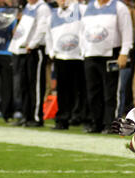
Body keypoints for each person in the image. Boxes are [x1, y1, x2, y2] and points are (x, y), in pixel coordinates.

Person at [81, 0, 134, 134]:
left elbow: (127, 31)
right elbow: (82, 31)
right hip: (91, 54)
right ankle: (96, 123)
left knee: (111, 91)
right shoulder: (89, 7)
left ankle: (112, 124)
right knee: (93, 91)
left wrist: (124, 53)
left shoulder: (119, 7)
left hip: (111, 54)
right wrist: (83, 51)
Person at [8, 0, 51, 127]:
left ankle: (37, 117)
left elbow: (42, 28)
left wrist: (32, 44)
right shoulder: (28, 6)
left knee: (35, 85)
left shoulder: (42, 7)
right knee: (24, 84)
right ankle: (26, 115)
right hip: (23, 49)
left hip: (35, 49)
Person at [45, 0, 86, 130]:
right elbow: (48, 35)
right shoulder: (52, 15)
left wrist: (84, 50)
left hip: (78, 56)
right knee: (62, 90)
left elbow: (86, 29)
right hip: (60, 57)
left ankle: (80, 116)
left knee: (81, 89)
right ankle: (62, 119)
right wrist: (51, 52)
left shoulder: (81, 9)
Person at [0, 0, 17, 122]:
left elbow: (15, 32)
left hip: (6, 52)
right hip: (4, 53)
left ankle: (6, 112)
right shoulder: (11, 13)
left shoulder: (11, 12)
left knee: (7, 85)